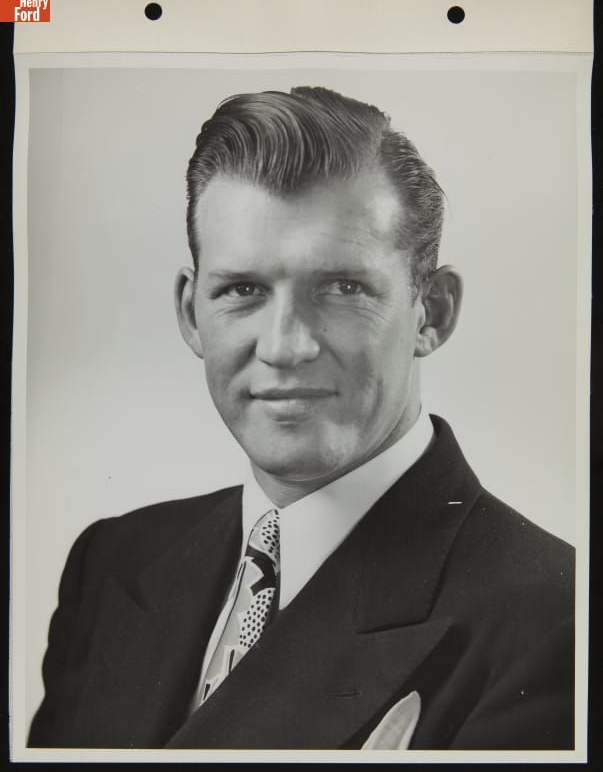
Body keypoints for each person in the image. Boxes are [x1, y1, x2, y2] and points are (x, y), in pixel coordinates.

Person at [28, 86, 574, 751]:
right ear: (189, 312)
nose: (286, 345)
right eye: (242, 291)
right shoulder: (113, 560)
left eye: (342, 288)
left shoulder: (555, 621)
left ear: (430, 311)